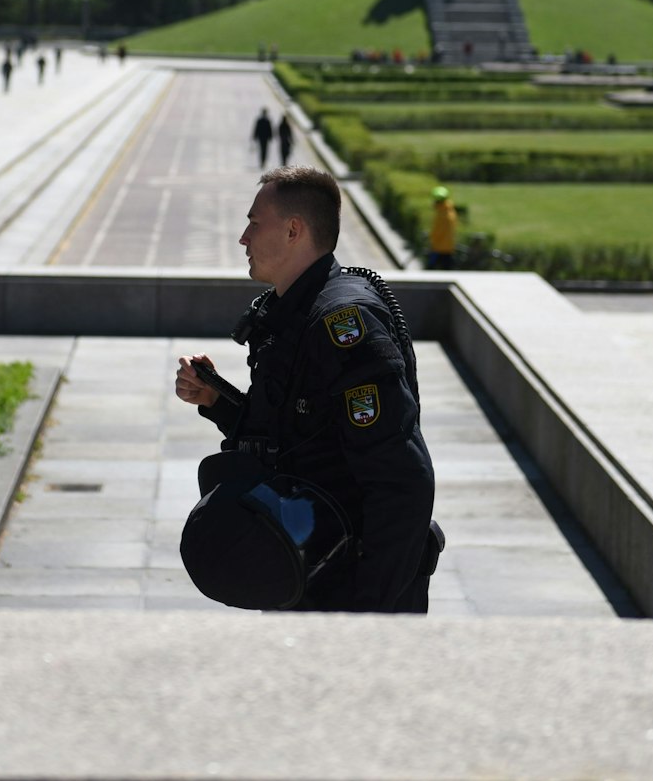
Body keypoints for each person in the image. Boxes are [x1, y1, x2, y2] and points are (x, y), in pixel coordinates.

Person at [173, 167, 438, 612]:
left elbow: (403, 480)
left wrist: (367, 611)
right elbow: (298, 437)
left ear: (294, 230)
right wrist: (217, 401)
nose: (243, 237)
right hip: (306, 567)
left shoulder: (342, 324)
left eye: (254, 223)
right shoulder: (290, 312)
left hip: (350, 589)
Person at [426, 186, 458, 269]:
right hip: (449, 246)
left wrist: (431, 240)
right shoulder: (450, 210)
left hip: (439, 247)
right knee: (446, 268)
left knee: (431, 268)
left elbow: (437, 231)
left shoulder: (441, 215)